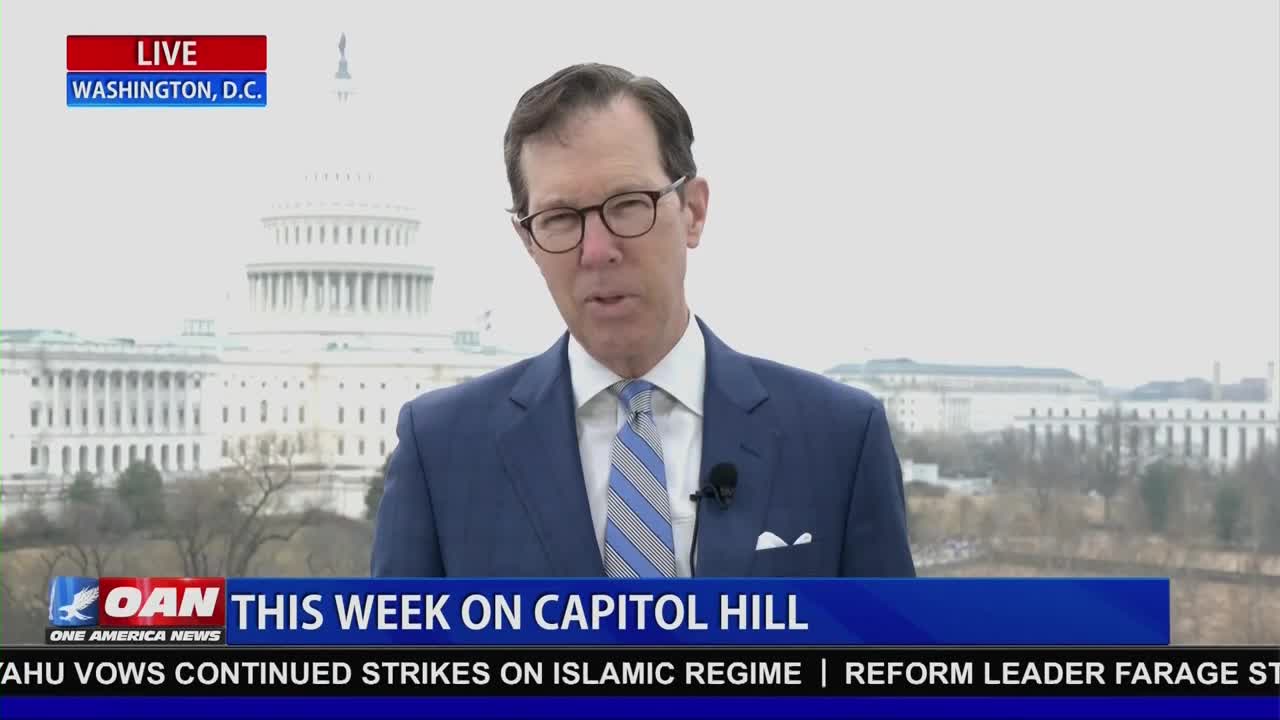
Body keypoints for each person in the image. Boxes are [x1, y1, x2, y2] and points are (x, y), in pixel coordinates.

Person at [371, 63, 915, 578]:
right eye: (560, 219)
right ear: (528, 241)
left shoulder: (839, 440)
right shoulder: (442, 452)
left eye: (629, 204)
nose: (598, 250)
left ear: (693, 212)